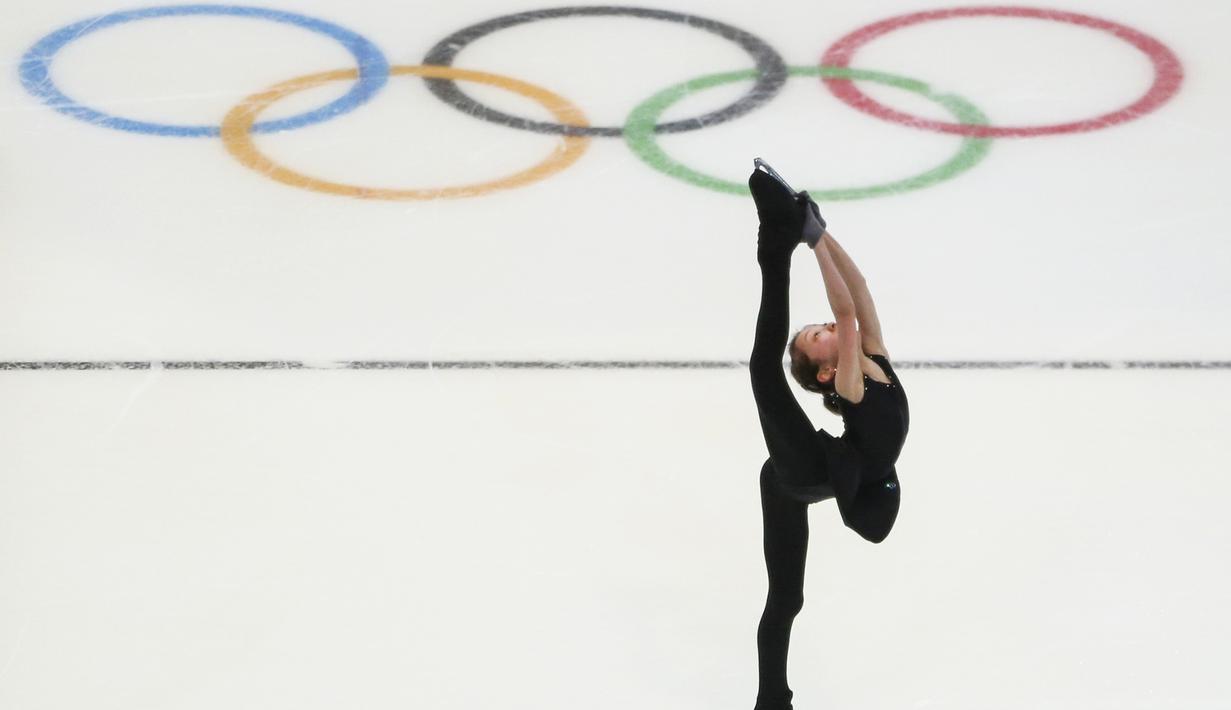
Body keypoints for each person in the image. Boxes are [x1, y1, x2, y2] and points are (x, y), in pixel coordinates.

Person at [747, 163, 910, 710]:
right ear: (824, 371)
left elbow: (857, 290)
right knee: (762, 369)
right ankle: (774, 238)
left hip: (822, 473)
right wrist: (807, 241)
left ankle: (781, 234)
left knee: (785, 596)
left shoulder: (877, 356)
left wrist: (821, 229)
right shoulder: (851, 383)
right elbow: (844, 306)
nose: (834, 327)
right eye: (821, 337)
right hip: (811, 470)